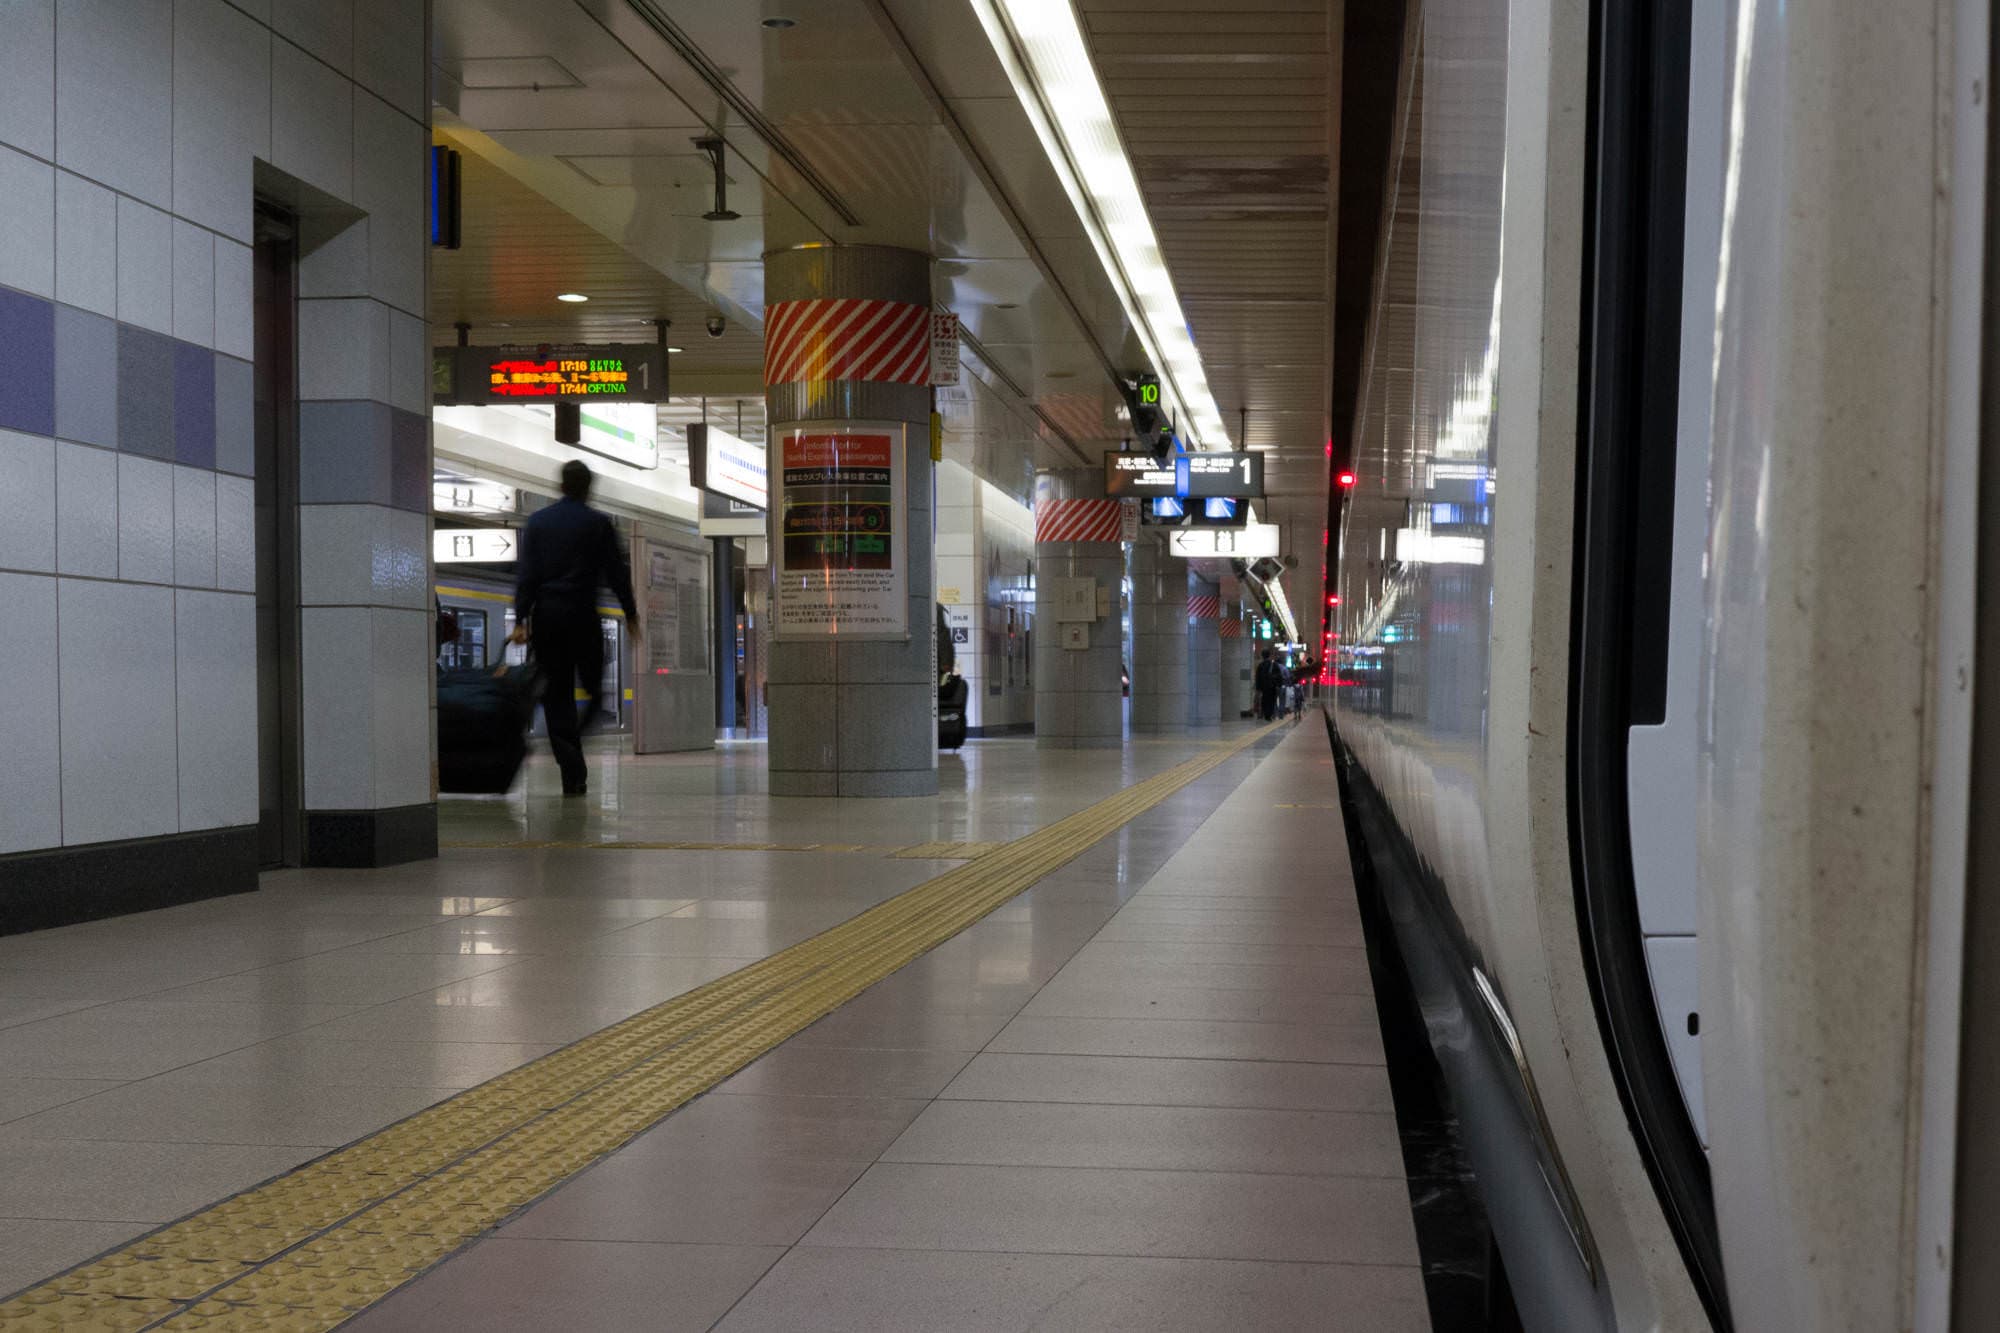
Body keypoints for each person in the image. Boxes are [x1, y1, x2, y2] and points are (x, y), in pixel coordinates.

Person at [509, 460, 640, 796]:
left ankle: (570, 760)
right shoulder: (599, 524)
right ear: (588, 488)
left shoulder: (537, 523)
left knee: (557, 695)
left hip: (548, 618)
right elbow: (616, 573)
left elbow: (527, 575)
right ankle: (574, 746)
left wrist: (521, 618)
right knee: (597, 692)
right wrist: (631, 615)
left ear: (562, 486)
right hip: (583, 617)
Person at [1255, 647, 1280, 721]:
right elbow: (1279, 676)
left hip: (1264, 688)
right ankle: (1269, 714)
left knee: (1264, 700)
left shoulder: (1260, 666)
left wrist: (1258, 688)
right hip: (1272, 687)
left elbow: (1258, 678)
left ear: (1262, 656)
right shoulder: (1274, 665)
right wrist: (1278, 685)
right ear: (1269, 655)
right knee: (1272, 700)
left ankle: (1266, 714)